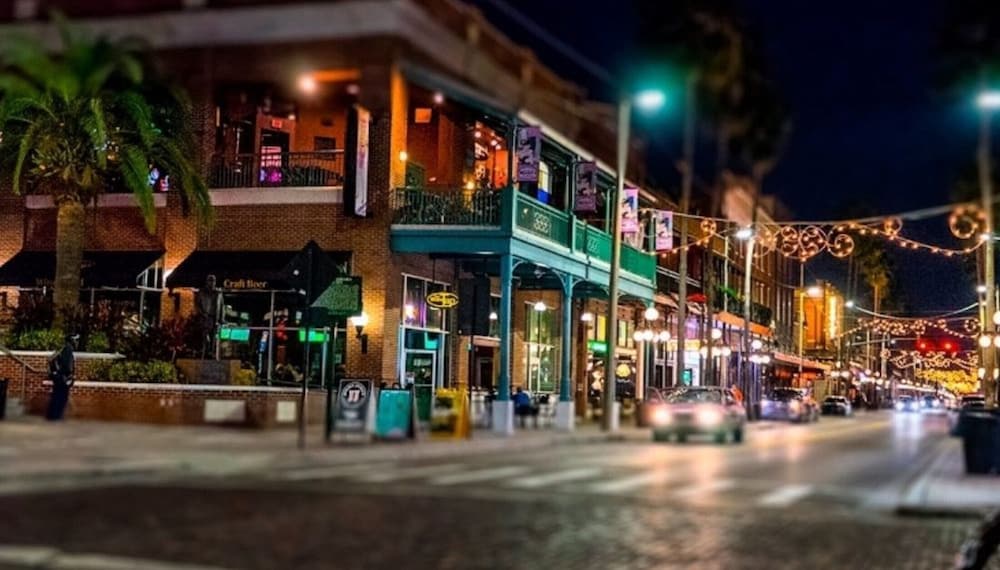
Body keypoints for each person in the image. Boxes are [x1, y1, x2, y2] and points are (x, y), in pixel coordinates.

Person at [46, 333, 77, 421]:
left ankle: (52, 415)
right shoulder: (68, 349)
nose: (76, 342)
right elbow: (67, 366)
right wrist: (70, 375)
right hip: (62, 377)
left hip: (57, 376)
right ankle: (56, 416)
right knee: (61, 397)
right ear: (72, 341)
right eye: (75, 340)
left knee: (56, 396)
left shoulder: (62, 348)